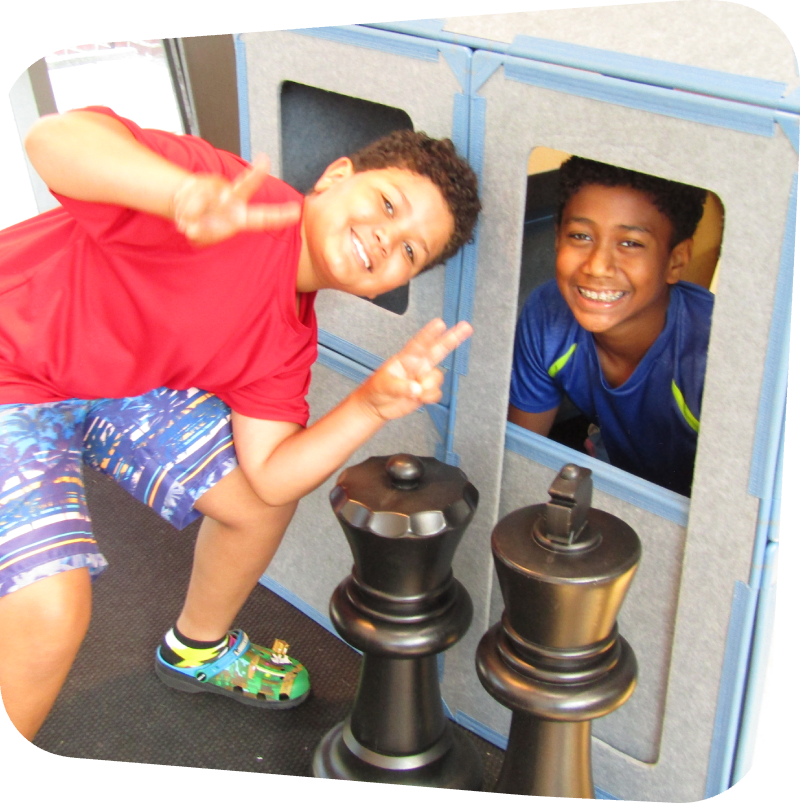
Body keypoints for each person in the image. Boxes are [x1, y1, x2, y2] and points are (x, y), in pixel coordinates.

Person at [0, 106, 480, 798]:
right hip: (11, 365)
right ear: (335, 176)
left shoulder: (288, 340)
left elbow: (273, 476)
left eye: (411, 250)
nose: (388, 237)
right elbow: (53, 139)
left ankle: (196, 648)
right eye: (387, 203)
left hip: (102, 387)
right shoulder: (227, 195)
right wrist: (176, 194)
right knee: (50, 610)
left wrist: (372, 404)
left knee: (257, 504)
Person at [508, 156, 711, 497]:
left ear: (675, 261)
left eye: (630, 243)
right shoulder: (548, 314)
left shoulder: (709, 359)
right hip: (616, 473)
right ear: (557, 239)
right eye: (580, 236)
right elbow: (518, 458)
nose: (598, 266)